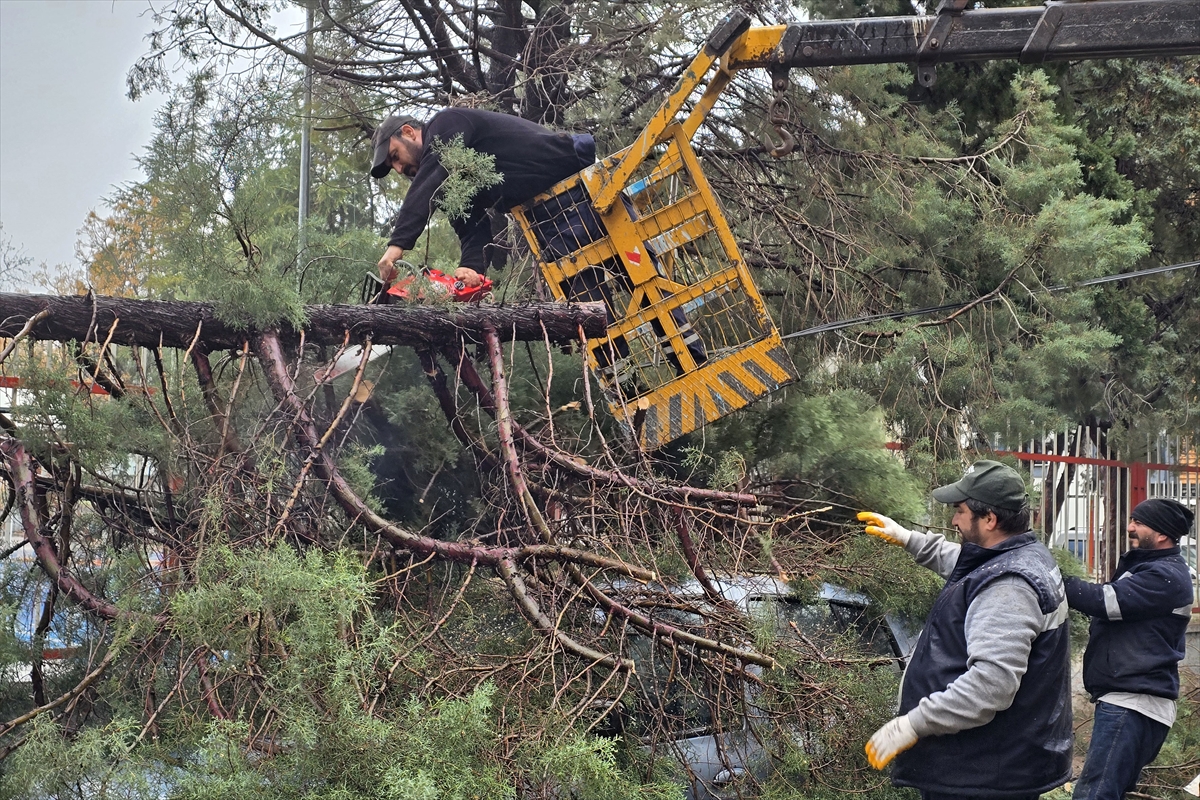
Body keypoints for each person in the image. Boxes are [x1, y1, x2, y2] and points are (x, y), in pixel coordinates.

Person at [859, 460, 1072, 800]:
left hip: (983, 775)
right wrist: (907, 538)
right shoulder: (1022, 555)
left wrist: (913, 724)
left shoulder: (1010, 585)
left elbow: (990, 686)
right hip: (995, 766)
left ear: (989, 519)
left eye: (960, 511)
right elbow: (969, 564)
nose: (954, 520)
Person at [369, 108, 597, 287]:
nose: (398, 169)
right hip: (546, 217)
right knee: (591, 311)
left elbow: (432, 173)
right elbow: (472, 230)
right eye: (393, 167)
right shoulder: (447, 182)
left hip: (578, 186)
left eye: (395, 156)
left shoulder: (446, 124)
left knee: (625, 274)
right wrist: (471, 269)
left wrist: (397, 245)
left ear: (408, 132)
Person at [1065, 498, 1194, 800]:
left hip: (1134, 703)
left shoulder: (1167, 576)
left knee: (1094, 795)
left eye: (1138, 522)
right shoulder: (1152, 569)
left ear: (1162, 533)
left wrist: (1049, 577)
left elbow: (1104, 601)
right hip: (1129, 701)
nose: (1130, 527)